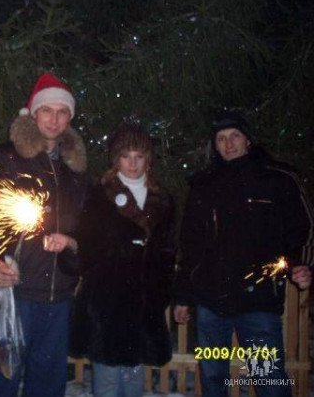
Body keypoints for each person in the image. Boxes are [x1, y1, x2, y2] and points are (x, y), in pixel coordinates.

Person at [173, 111, 314, 397]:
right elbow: (190, 245)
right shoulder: (203, 185)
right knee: (213, 377)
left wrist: (300, 264)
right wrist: (183, 296)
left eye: (235, 136)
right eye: (221, 138)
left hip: (258, 301)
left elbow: (303, 228)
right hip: (211, 304)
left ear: (248, 139)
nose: (228, 144)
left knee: (268, 379)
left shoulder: (277, 178)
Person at [0, 73, 88, 397]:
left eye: (62, 112)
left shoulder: (75, 167)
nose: (54, 119)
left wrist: (74, 243)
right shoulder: (6, 157)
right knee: (5, 378)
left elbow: (86, 223)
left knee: (48, 382)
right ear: (34, 113)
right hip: (16, 290)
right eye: (47, 111)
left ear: (69, 118)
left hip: (59, 291)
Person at [68, 124, 176, 397]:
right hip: (107, 301)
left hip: (144, 300)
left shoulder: (163, 200)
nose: (132, 163)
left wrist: (161, 291)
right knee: (107, 380)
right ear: (116, 159)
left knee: (134, 379)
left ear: (148, 159)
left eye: (139, 156)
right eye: (126, 156)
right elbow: (85, 243)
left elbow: (167, 250)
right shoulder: (99, 195)